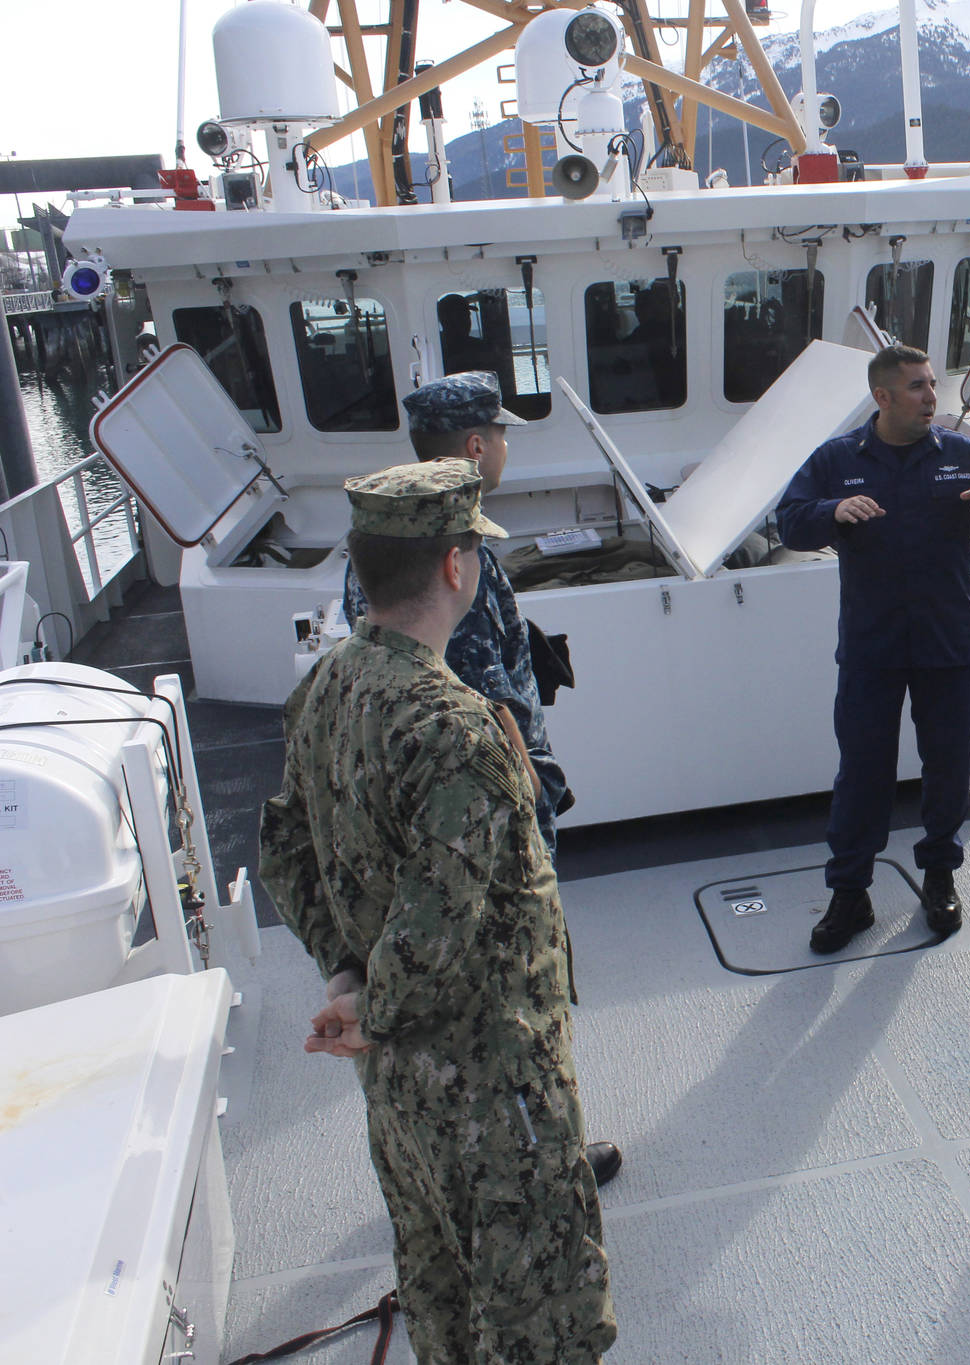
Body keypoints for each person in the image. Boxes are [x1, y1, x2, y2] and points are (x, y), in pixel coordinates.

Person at [259, 461, 617, 1365]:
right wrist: (369, 1003)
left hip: (397, 1090)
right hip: (494, 1093)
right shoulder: (455, 730)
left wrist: (346, 980)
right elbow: (434, 931)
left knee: (442, 1297)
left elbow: (284, 848)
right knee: (544, 1323)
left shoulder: (326, 690)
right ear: (458, 568)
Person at [341, 370, 620, 1189]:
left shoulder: (394, 544)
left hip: (460, 807)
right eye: (497, 433)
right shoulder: (452, 554)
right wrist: (530, 795)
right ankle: (545, 1154)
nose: (502, 445)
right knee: (518, 989)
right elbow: (479, 704)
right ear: (473, 447)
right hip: (494, 813)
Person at [777, 343, 970, 953]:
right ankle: (850, 893)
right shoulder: (839, 459)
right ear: (883, 397)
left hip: (947, 645)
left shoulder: (960, 452)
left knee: (947, 767)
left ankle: (941, 876)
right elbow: (788, 521)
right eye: (919, 387)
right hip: (872, 649)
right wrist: (832, 510)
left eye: (931, 385)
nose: (932, 397)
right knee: (862, 773)